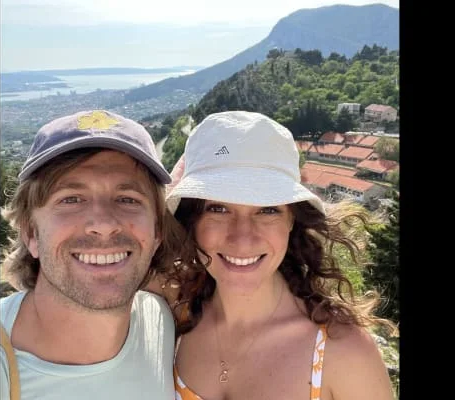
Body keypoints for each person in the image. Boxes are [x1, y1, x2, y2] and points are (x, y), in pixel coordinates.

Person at [162, 111, 398, 400]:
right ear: (191, 221)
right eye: (218, 208)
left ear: (291, 220)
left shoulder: (345, 354)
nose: (243, 238)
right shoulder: (174, 312)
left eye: (268, 210)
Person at [0, 109, 196, 400]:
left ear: (157, 232)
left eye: (127, 199)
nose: (103, 224)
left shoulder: (163, 320)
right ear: (31, 233)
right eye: (71, 199)